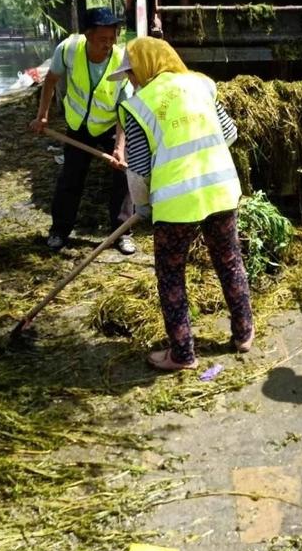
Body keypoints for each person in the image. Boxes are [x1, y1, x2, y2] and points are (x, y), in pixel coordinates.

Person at [107, 37, 254, 371]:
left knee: (171, 275)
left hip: (175, 203)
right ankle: (244, 333)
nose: (132, 81)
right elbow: (229, 133)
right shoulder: (201, 84)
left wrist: (141, 206)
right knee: (229, 260)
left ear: (146, 64)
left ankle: (183, 354)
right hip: (220, 189)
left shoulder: (139, 105)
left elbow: (140, 169)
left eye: (132, 73)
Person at [29, 7, 136, 255]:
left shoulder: (121, 60)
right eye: (102, 39)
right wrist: (42, 115)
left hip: (109, 125)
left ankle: (122, 233)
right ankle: (59, 231)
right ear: (88, 35)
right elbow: (51, 80)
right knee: (71, 178)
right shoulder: (68, 49)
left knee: (123, 175)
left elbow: (124, 108)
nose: (108, 44)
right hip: (77, 126)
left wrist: (120, 148)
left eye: (112, 38)